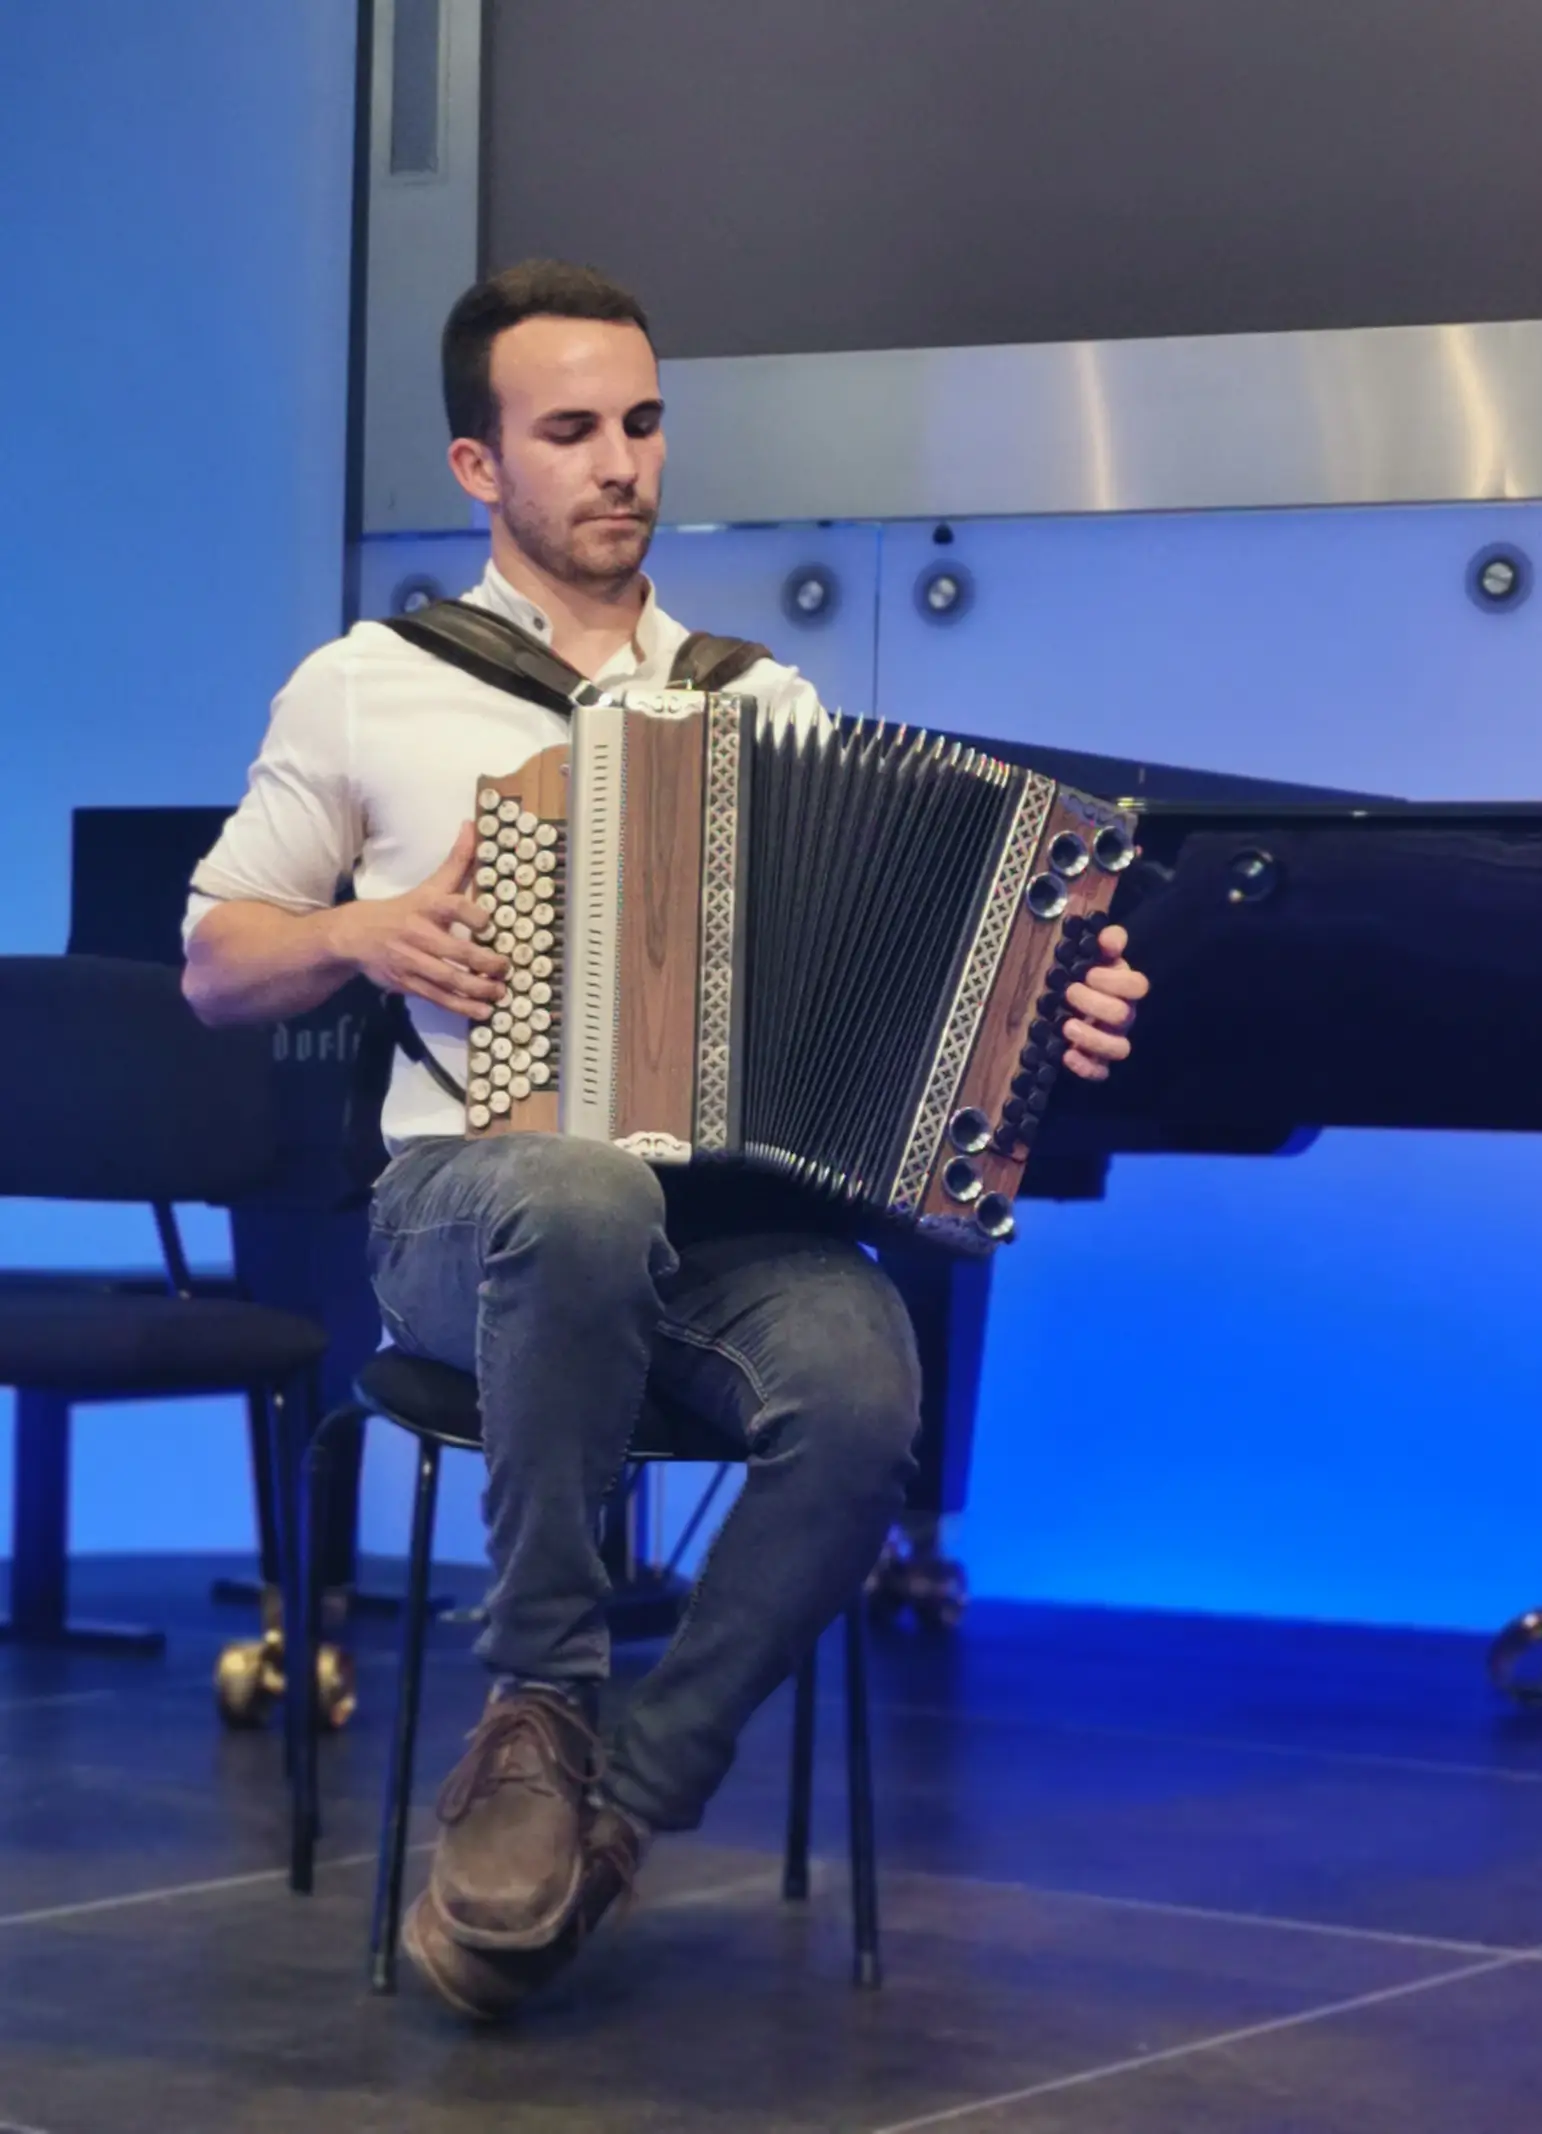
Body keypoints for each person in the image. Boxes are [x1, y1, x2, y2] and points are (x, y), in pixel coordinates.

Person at [182, 258, 1149, 2020]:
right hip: (463, 1206)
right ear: (478, 465)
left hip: (719, 1231)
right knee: (577, 1182)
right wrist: (363, 932)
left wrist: (1051, 1013)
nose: (621, 461)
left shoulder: (759, 702)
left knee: (862, 1379)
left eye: (640, 421)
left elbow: (905, 1000)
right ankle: (536, 1704)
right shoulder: (368, 684)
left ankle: (617, 1804)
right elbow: (213, 961)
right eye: (570, 429)